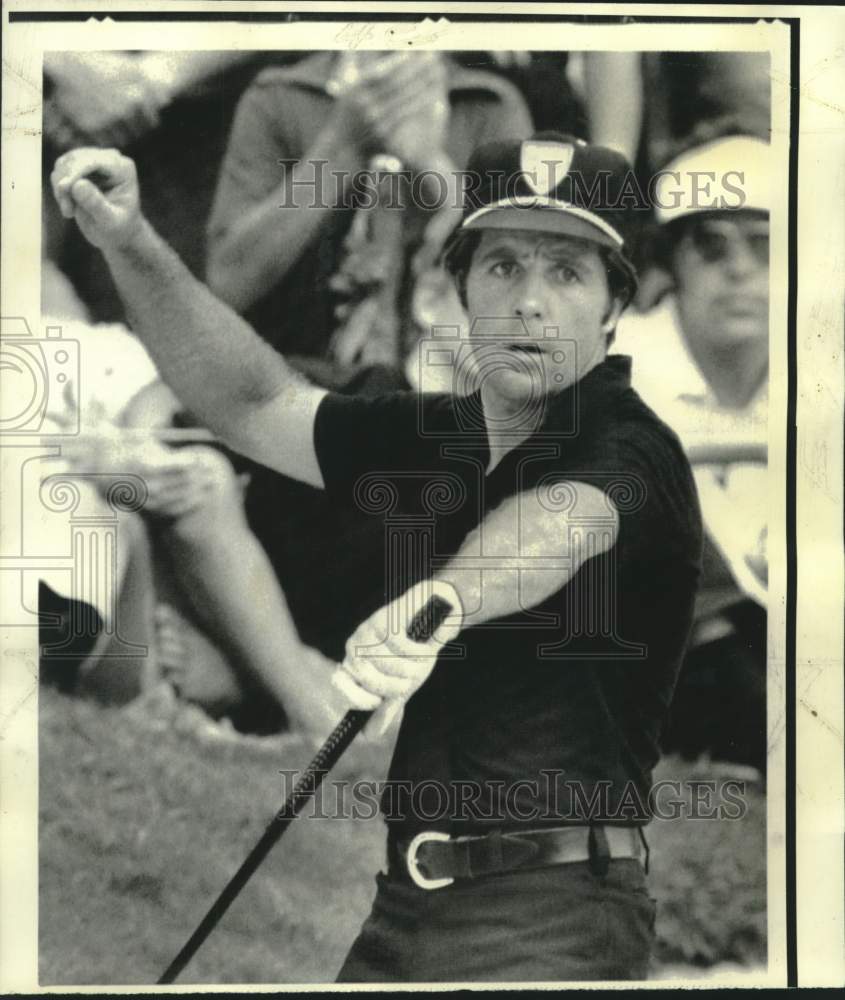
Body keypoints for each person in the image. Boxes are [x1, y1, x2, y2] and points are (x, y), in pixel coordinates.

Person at [51, 132, 702, 982]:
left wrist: (441, 603)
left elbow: (559, 523)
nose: (528, 303)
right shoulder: (440, 436)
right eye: (502, 266)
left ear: (613, 307)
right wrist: (131, 242)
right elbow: (254, 401)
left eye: (566, 272)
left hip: (554, 922)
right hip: (402, 914)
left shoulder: (634, 450)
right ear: (460, 286)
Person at [616, 130, 770, 772]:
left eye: (765, 246)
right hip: (672, 636)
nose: (740, 271)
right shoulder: (617, 359)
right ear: (670, 262)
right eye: (711, 247)